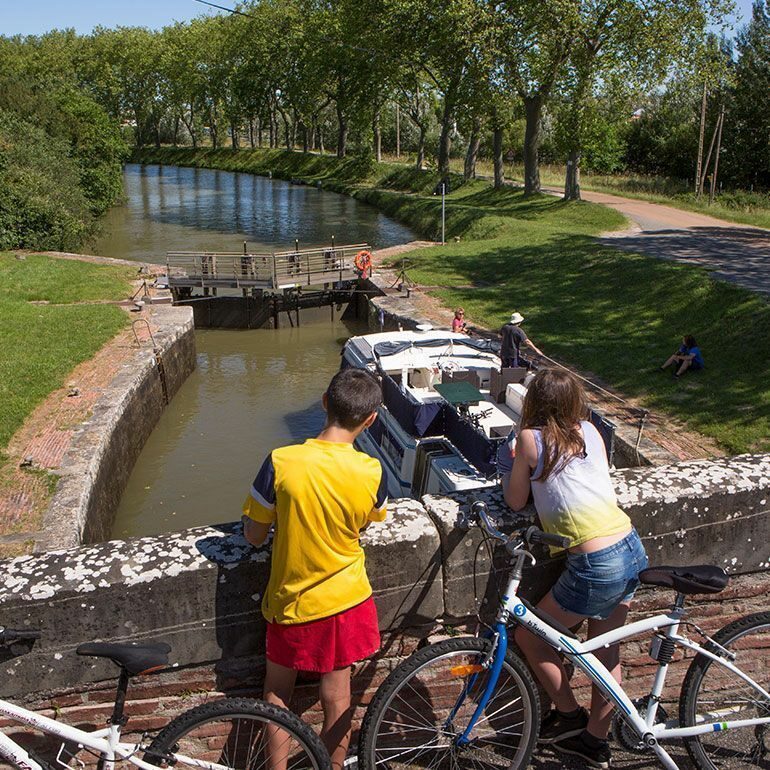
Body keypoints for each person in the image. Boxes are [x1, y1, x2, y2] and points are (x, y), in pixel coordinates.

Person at [242, 368, 388, 770]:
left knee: (277, 693)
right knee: (338, 695)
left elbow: (254, 534)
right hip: (347, 598)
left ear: (324, 402)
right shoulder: (372, 471)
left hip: (293, 599)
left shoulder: (280, 462)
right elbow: (369, 520)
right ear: (371, 419)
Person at [504, 368, 648, 770]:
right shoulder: (591, 430)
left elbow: (515, 501)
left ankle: (568, 715)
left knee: (529, 636)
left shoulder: (530, 440)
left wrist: (513, 464)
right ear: (573, 402)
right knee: (606, 654)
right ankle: (594, 743)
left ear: (534, 401)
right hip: (629, 545)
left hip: (595, 562)